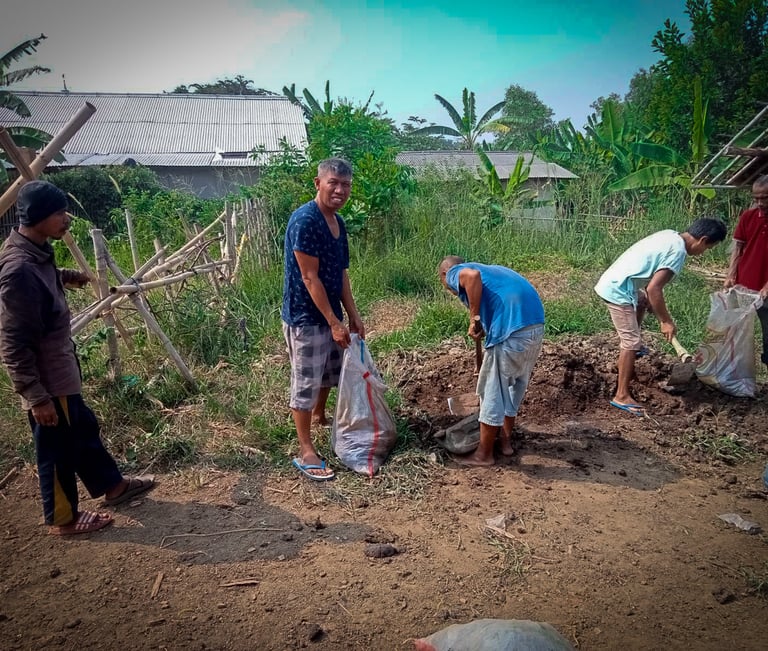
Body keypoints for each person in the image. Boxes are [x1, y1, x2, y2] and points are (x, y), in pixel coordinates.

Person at [0, 181, 154, 536]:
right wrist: (36, 397)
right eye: (59, 213)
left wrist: (66, 276)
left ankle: (113, 486)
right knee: (56, 452)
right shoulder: (19, 269)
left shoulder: (34, 251)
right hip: (48, 383)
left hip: (61, 374)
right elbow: (13, 343)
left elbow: (42, 278)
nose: (66, 219)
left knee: (83, 430)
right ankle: (64, 519)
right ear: (38, 216)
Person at [281, 158, 365, 480]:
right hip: (306, 317)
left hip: (331, 315)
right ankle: (306, 450)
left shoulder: (338, 222)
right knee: (306, 382)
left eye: (346, 185)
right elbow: (309, 277)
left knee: (330, 372)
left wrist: (352, 316)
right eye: (334, 183)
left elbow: (341, 274)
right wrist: (332, 321)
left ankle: (319, 416)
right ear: (318, 183)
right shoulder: (305, 221)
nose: (340, 190)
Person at [594, 217, 727, 416]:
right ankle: (621, 395)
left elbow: (649, 291)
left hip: (619, 281)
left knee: (642, 301)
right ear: (703, 240)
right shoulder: (678, 252)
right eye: (708, 248)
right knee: (630, 342)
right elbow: (654, 288)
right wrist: (665, 321)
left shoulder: (670, 234)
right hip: (617, 289)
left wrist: (656, 308)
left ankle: (633, 350)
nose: (703, 252)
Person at [439, 256, 545, 467]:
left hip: (512, 333)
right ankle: (505, 443)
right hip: (534, 328)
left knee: (493, 391)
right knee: (513, 388)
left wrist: (474, 318)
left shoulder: (456, 271)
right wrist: (484, 327)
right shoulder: (494, 273)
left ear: (444, 274)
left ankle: (484, 454)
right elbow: (500, 301)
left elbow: (471, 277)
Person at [724, 175, 768, 369]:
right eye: (756, 198)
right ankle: (732, 373)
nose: (760, 203)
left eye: (764, 198)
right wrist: (731, 275)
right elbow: (738, 247)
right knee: (734, 331)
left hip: (765, 290)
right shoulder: (748, 216)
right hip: (744, 286)